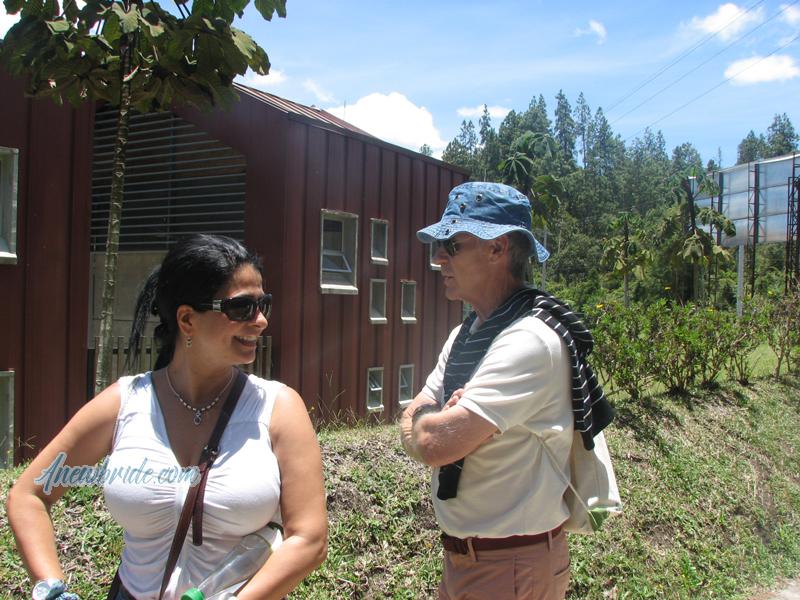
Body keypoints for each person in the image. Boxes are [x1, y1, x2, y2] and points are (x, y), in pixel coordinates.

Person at [7, 234, 328, 600]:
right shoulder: (125, 403)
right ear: (187, 319)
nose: (261, 321)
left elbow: (309, 539)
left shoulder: (279, 408)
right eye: (242, 308)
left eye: (263, 304)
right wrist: (51, 588)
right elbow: (29, 495)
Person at [401, 181, 604, 600]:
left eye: (453, 245)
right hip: (470, 561)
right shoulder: (467, 333)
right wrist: (430, 420)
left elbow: (433, 443)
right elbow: (423, 416)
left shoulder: (528, 340)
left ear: (498, 249)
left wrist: (428, 424)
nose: (438, 259)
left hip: (509, 569)